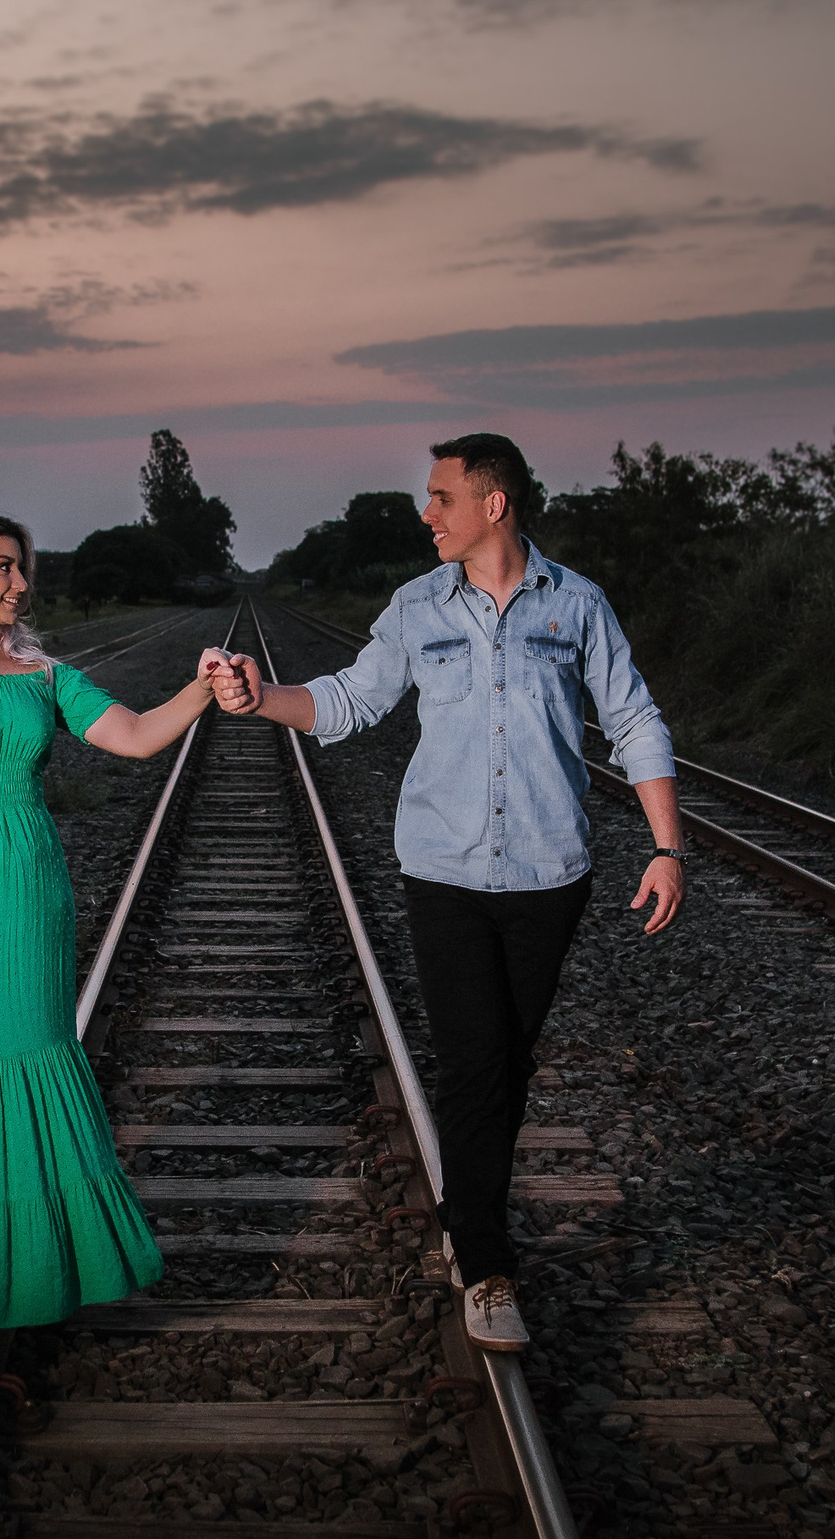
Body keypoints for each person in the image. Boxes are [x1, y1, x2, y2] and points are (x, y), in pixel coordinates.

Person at [211, 434, 682, 1353]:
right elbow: (350, 701)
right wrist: (262, 699)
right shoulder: (416, 607)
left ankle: (472, 1212)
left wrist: (667, 847)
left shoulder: (577, 604)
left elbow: (633, 717)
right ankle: (486, 1262)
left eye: (440, 497)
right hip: (445, 874)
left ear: (493, 503)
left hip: (552, 874)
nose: (426, 513)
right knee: (474, 1066)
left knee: (507, 1063)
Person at [0, 511, 227, 1344]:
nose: (22, 584)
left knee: (33, 1057)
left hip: (24, 897)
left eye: (21, 569)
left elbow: (130, 737)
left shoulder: (41, 673)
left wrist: (202, 688)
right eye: (5, 568)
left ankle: (49, 1266)